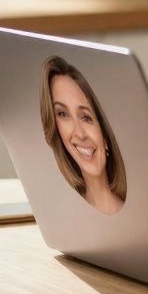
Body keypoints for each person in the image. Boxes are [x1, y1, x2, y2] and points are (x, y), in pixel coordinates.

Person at [40, 55, 127, 215]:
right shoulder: (62, 216)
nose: (79, 134)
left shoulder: (141, 217)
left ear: (106, 135)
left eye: (86, 117)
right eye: (63, 114)